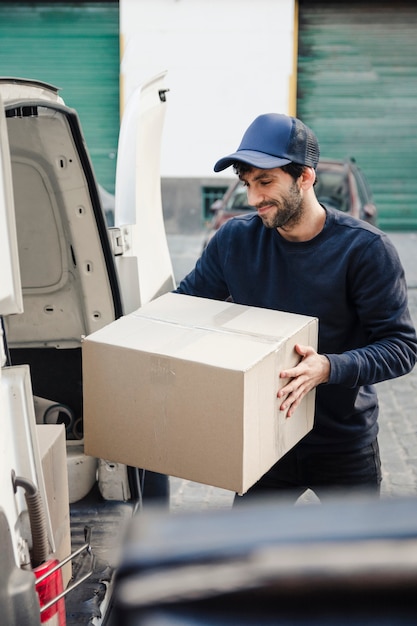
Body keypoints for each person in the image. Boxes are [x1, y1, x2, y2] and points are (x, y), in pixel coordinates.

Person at [175, 113, 417, 503]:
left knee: (354, 561)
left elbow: (402, 347)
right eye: (248, 184)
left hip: (342, 442)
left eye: (266, 181)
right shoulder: (234, 240)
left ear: (305, 176)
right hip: (262, 439)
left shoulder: (365, 250)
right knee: (247, 555)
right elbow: (182, 310)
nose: (254, 199)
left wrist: (328, 367)